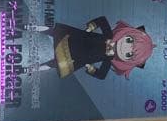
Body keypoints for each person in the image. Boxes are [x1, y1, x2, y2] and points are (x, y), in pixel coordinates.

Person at [25, 18, 154, 81]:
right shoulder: (109, 35)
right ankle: (33, 28)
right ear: (127, 33)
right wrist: (91, 27)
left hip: (81, 58)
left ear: (128, 62)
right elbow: (102, 20)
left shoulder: (108, 59)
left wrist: (91, 69)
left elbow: (102, 75)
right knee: (54, 32)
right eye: (129, 40)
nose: (125, 47)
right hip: (80, 38)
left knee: (54, 63)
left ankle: (32, 68)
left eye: (129, 54)